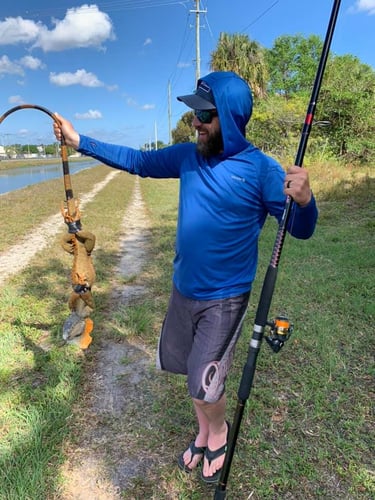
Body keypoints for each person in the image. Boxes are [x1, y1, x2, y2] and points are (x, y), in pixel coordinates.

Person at [53, 71, 318, 483]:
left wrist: (305, 201)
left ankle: (219, 433)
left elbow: (299, 228)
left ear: (229, 118)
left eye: (204, 116)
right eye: (194, 115)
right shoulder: (188, 157)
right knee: (186, 369)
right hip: (183, 289)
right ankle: (204, 430)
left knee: (204, 382)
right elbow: (138, 162)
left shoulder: (262, 171)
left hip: (225, 298)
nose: (195, 123)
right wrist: (79, 141)